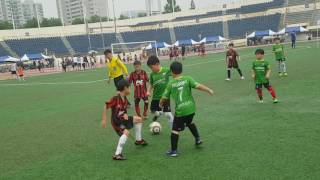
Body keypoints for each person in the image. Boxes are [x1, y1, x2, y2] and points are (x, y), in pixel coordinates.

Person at [160, 61, 214, 157]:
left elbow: (164, 97)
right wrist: (208, 90)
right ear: (181, 70)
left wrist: (160, 104)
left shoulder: (171, 83)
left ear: (172, 72)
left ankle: (174, 151)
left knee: (175, 130)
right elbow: (198, 86)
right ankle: (198, 139)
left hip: (181, 111)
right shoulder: (188, 78)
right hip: (191, 109)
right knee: (190, 122)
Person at [101, 79, 148, 160]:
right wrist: (104, 119)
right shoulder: (115, 98)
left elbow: (123, 110)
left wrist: (125, 114)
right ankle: (117, 154)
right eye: (129, 87)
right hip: (117, 122)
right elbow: (106, 106)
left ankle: (138, 140)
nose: (130, 89)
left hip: (123, 119)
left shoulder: (125, 98)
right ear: (125, 88)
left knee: (139, 119)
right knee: (126, 132)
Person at [147, 55, 173, 128]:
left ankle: (174, 131)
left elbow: (175, 74)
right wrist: (148, 91)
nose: (151, 69)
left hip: (165, 97)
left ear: (157, 64)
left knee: (168, 114)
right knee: (153, 111)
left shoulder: (166, 70)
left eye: (151, 67)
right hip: (155, 97)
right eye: (150, 68)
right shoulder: (152, 74)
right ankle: (158, 114)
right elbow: (151, 84)